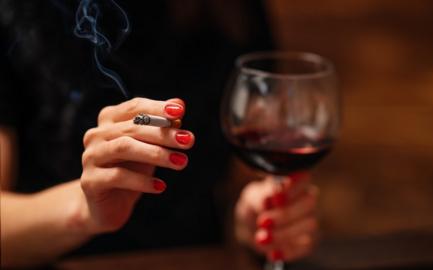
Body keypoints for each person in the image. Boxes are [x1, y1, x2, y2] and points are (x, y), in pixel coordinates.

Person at [0, 0, 319, 267]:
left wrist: (252, 217)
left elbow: (245, 175)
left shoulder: (231, 8)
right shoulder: (19, 12)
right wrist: (84, 210)